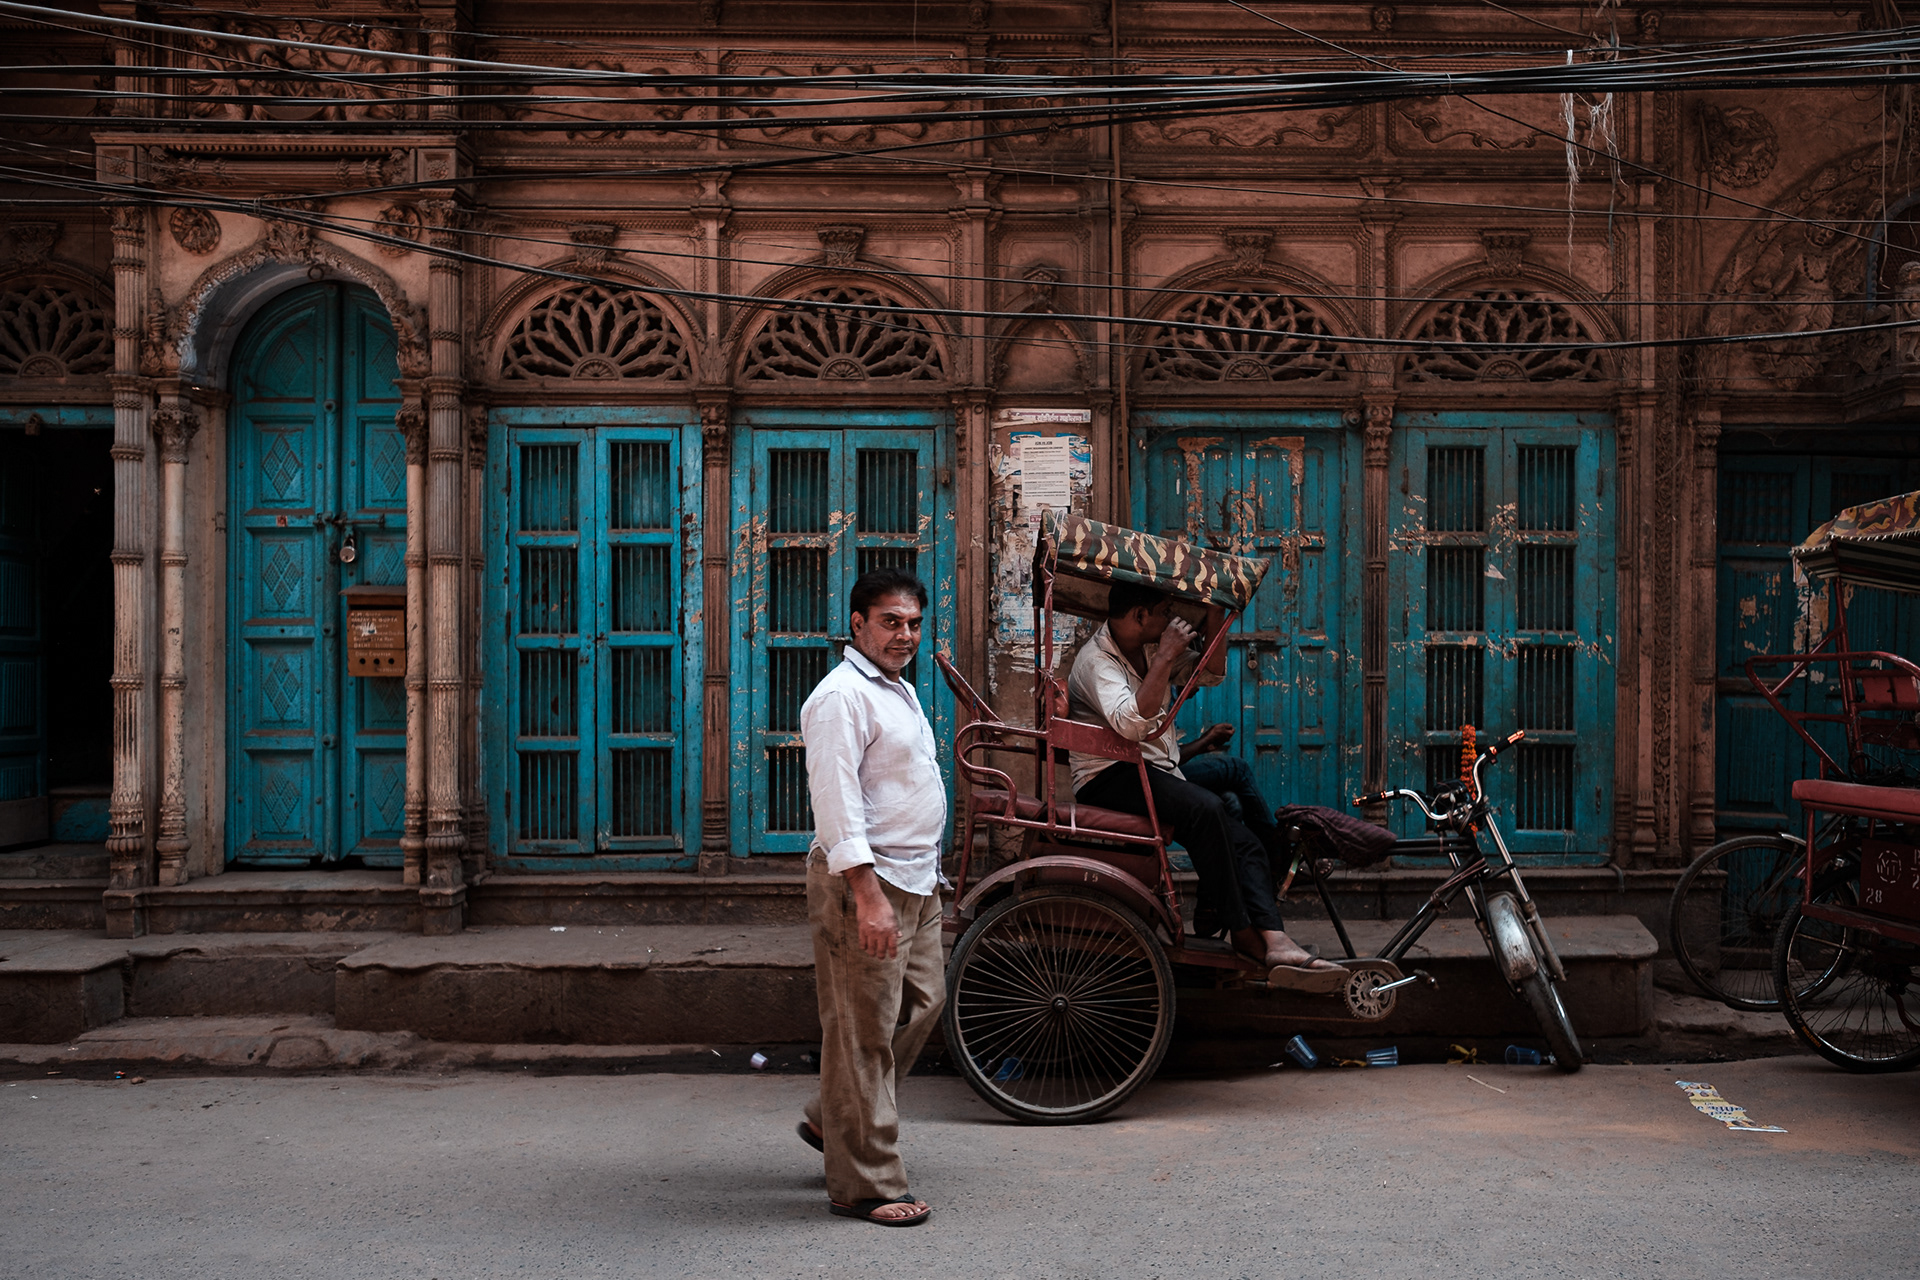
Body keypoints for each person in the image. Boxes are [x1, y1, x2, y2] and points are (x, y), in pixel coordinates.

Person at [1067, 580, 1342, 981]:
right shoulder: (1097, 662)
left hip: (1154, 769)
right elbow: (1130, 724)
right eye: (1163, 613)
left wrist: (1216, 611)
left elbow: (1210, 673)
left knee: (1242, 838)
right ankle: (1243, 931)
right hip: (1108, 775)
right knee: (1209, 807)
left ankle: (1276, 938)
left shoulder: (1146, 648)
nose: (1169, 621)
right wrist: (1164, 656)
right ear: (1140, 616)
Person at [794, 568, 945, 1228]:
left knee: (922, 1003)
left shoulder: (897, 690)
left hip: (916, 879)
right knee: (861, 1034)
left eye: (912, 623)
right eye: (890, 621)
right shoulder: (840, 698)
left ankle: (836, 1117)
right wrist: (868, 893)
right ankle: (866, 1183)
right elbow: (837, 803)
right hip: (869, 885)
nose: (903, 634)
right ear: (857, 625)